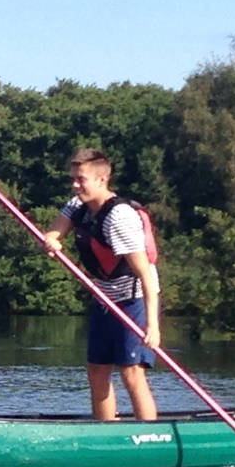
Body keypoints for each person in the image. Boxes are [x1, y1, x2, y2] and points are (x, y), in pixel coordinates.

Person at [42, 148, 160, 421]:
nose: (75, 185)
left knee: (131, 371)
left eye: (81, 179)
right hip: (104, 298)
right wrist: (51, 240)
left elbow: (145, 274)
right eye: (73, 178)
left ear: (101, 179)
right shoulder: (76, 205)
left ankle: (149, 434)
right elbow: (55, 232)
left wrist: (152, 326)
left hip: (135, 298)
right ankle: (106, 430)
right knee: (97, 370)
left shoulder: (120, 218)